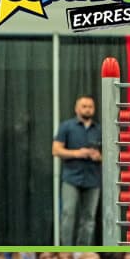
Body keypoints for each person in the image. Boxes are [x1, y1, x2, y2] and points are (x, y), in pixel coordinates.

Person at [52, 95, 102, 245]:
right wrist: (77, 153)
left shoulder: (100, 129)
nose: (87, 109)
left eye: (90, 106)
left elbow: (111, 155)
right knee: (68, 214)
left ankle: (83, 248)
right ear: (76, 108)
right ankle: (65, 248)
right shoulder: (66, 126)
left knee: (89, 218)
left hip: (93, 179)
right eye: (84, 106)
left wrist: (99, 156)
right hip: (71, 178)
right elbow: (56, 150)